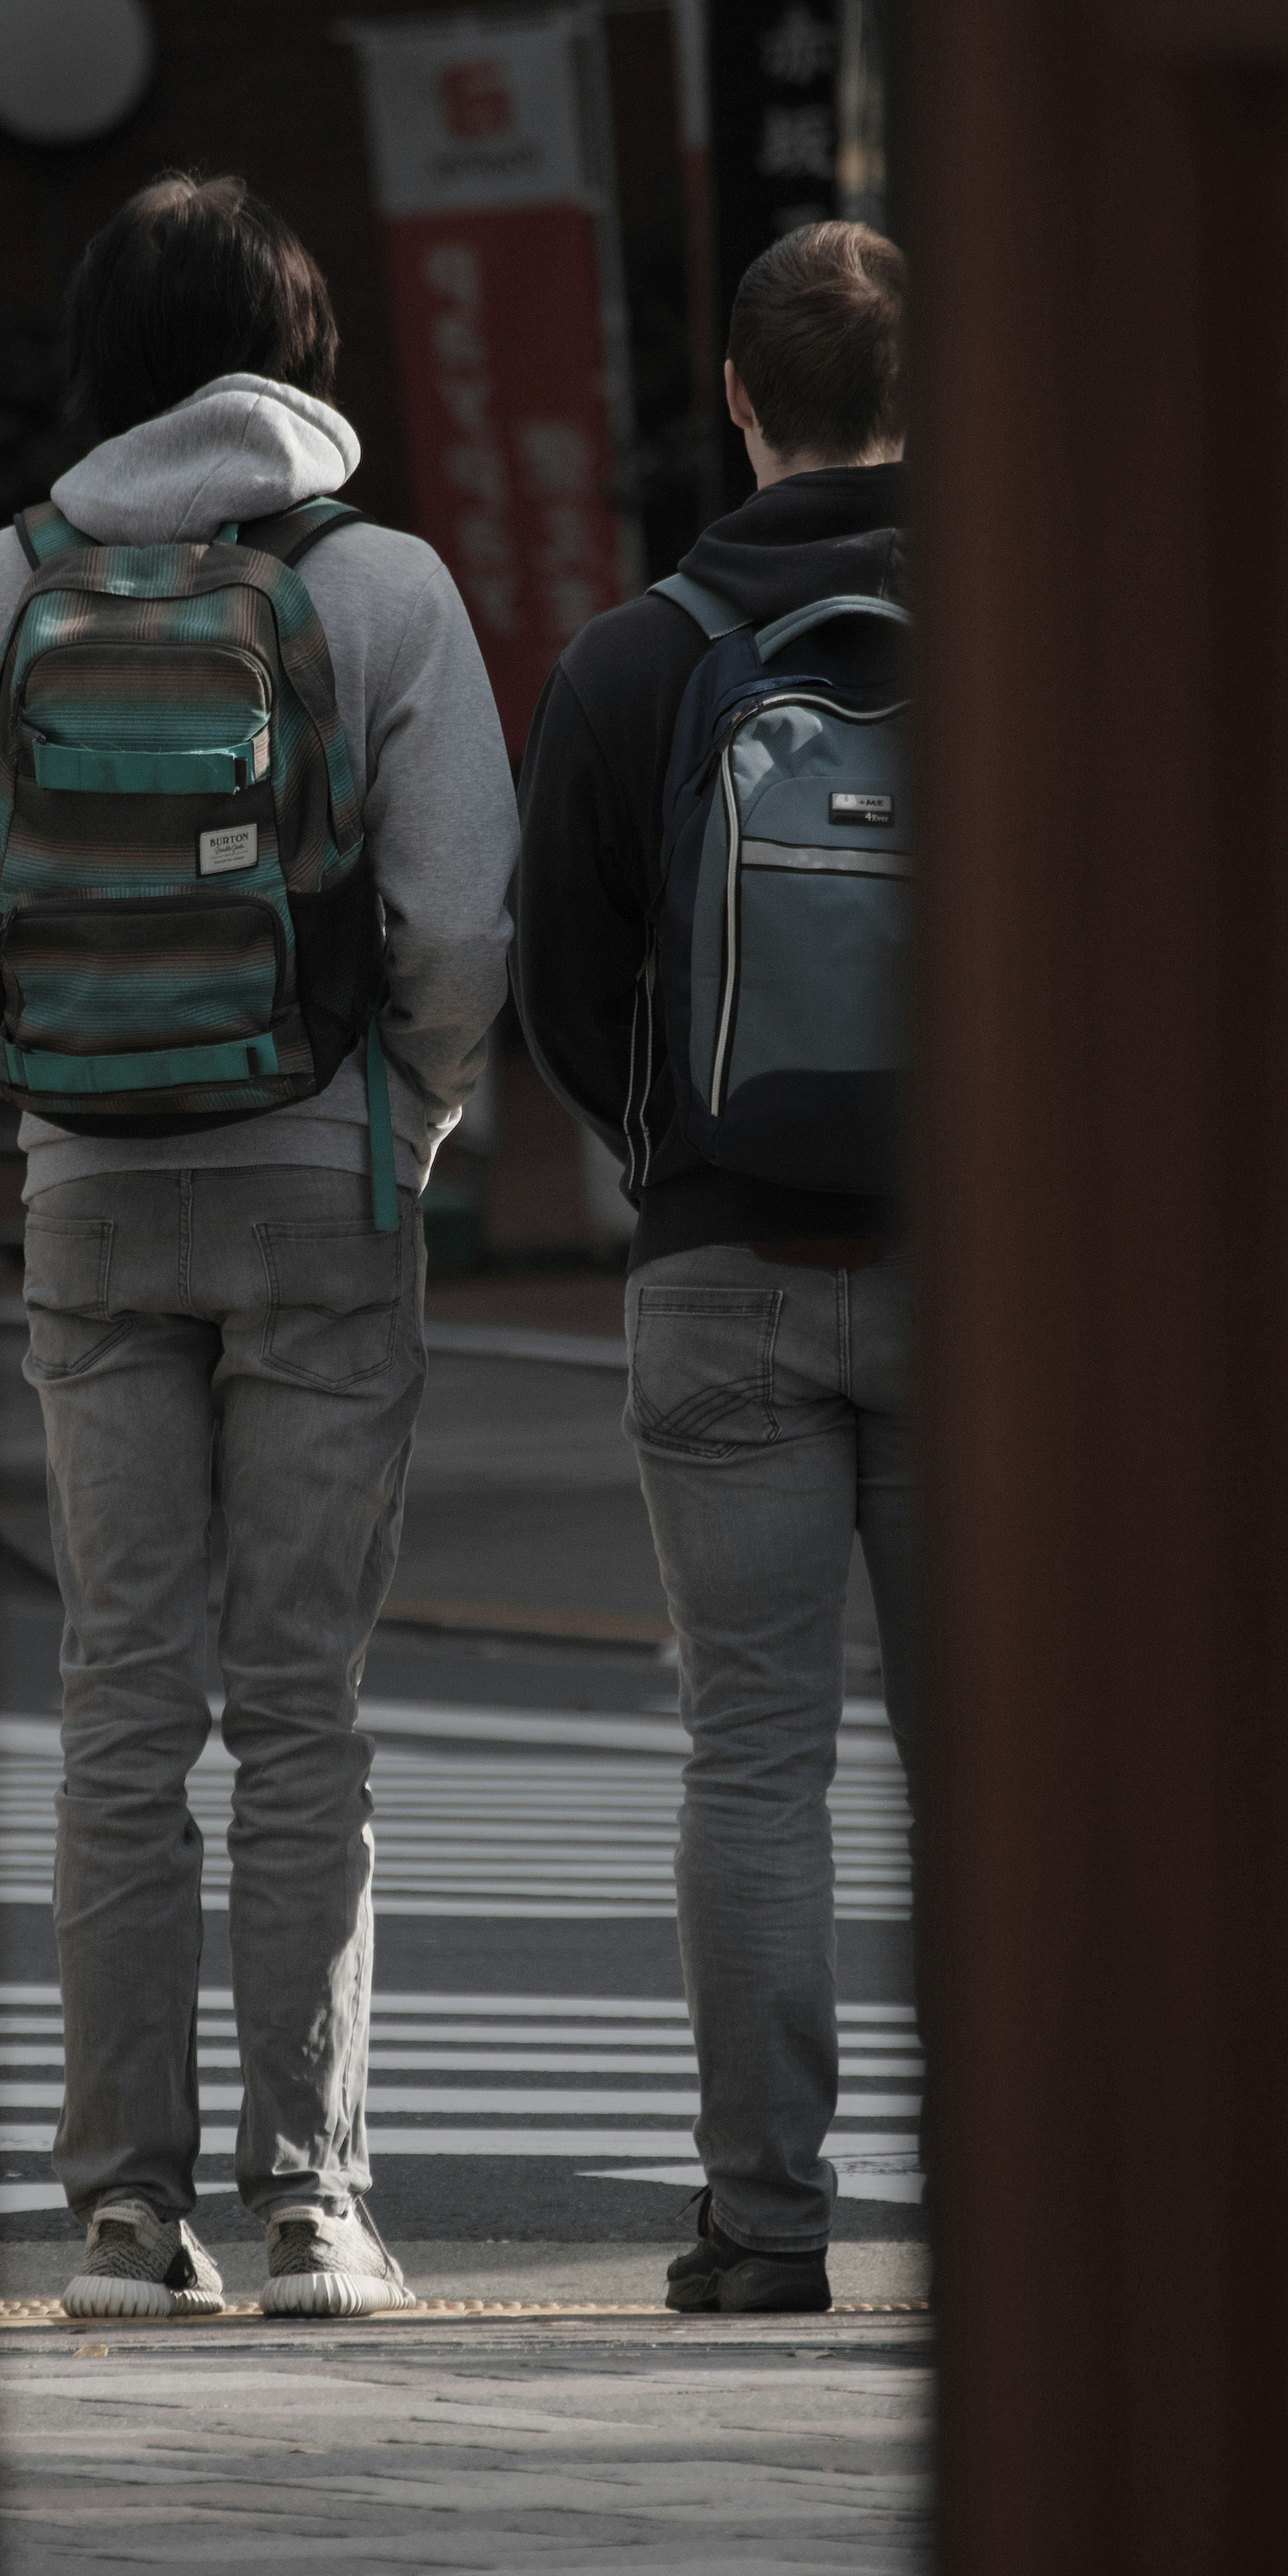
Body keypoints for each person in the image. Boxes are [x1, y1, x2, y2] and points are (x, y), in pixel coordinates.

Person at [0, 173, 517, 2319]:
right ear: (301, 354)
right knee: (303, 1708)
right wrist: (413, 1108)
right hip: (324, 1184)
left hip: (84, 1184)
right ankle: (312, 2207)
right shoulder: (383, 588)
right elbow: (460, 924)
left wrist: (35, 1074)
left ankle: (114, 2211)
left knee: (117, 1697)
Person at [513, 220, 914, 2315]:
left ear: (738, 399)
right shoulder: (1046, 624)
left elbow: (566, 991)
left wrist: (678, 1144)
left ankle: (766, 2231)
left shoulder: (634, 657)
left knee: (754, 1756)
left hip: (721, 1261)